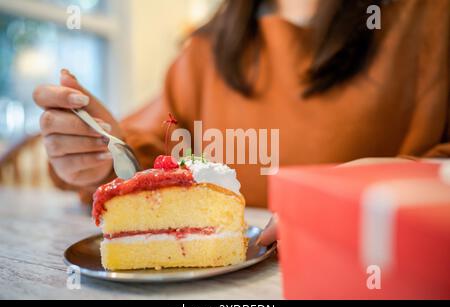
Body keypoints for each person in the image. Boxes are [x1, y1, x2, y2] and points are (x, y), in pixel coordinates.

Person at [32, 0, 450, 246]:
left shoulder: (430, 19)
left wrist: (392, 181)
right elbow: (148, 152)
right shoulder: (206, 48)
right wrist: (100, 157)